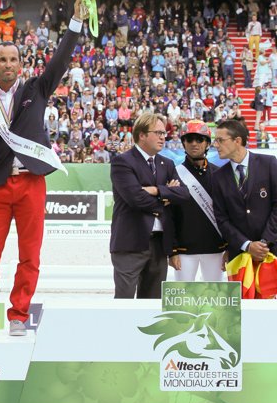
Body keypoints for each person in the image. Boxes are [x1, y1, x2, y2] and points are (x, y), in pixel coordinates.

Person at [0, 0, 87, 337]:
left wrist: (75, 22)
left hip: (31, 183)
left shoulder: (37, 88)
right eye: (2, 59)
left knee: (29, 256)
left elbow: (61, 60)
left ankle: (18, 315)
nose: (8, 64)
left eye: (13, 59)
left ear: (20, 63)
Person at [108, 113, 188, 299]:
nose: (163, 137)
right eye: (158, 133)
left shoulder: (167, 164)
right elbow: (136, 199)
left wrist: (155, 190)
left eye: (164, 133)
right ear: (142, 135)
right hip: (130, 243)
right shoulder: (122, 161)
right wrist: (166, 195)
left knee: (153, 304)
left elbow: (184, 194)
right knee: (124, 301)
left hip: (159, 245)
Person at [212, 120, 277, 284]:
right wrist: (247, 245)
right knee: (241, 300)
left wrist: (263, 243)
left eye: (220, 140)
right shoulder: (218, 177)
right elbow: (221, 219)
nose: (215, 144)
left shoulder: (269, 164)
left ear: (237, 140)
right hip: (239, 255)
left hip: (271, 251)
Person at [169, 120, 227, 281]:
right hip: (183, 251)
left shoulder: (220, 175)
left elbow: (228, 214)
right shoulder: (174, 174)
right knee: (183, 296)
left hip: (216, 248)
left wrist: (230, 248)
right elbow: (169, 215)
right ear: (183, 143)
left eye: (200, 139)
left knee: (215, 295)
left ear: (207, 143)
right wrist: (172, 251)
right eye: (189, 139)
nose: (194, 143)